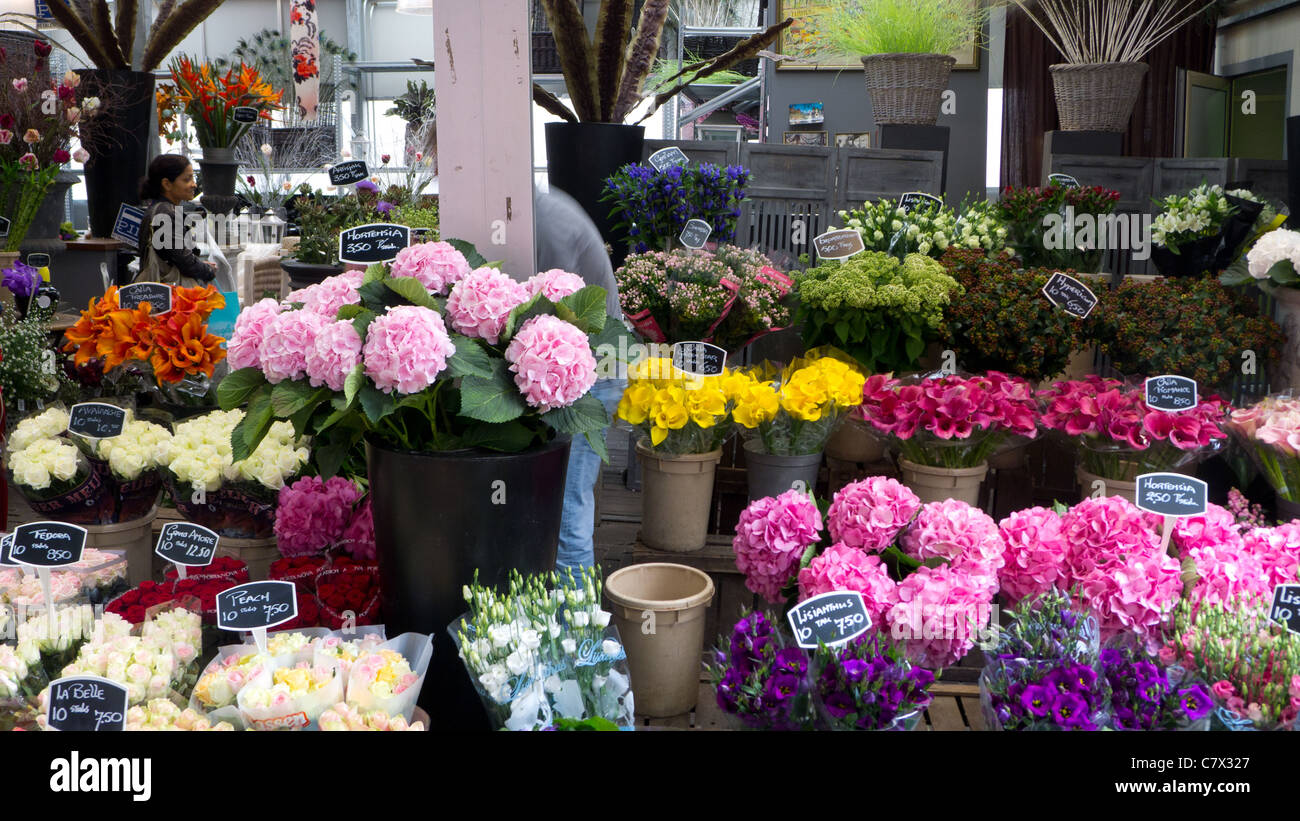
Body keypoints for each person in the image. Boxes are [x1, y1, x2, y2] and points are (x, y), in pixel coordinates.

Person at [535, 186, 626, 573]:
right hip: (574, 373)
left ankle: (580, 625)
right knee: (562, 503)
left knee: (569, 506)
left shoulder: (548, 222)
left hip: (592, 376)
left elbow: (550, 308)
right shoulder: (540, 210)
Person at [135, 154, 217, 287]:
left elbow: (172, 256)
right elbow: (184, 262)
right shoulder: (168, 213)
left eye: (193, 178)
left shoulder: (156, 209)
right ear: (167, 184)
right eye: (187, 179)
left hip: (153, 291)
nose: (194, 184)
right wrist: (207, 271)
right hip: (171, 296)